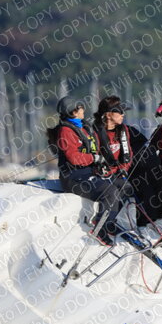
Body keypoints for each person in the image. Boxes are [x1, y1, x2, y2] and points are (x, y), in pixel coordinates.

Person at [51, 96, 127, 245]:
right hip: (73, 178)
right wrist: (93, 158)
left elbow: (93, 148)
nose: (83, 110)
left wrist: (100, 162)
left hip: (88, 173)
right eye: (80, 107)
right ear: (73, 111)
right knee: (110, 191)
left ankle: (109, 222)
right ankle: (99, 228)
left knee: (124, 186)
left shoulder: (83, 127)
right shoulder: (65, 131)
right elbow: (74, 158)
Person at [93, 96, 162, 226]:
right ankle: (132, 223)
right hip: (107, 174)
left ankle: (156, 220)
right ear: (108, 114)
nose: (123, 114)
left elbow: (134, 151)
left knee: (152, 176)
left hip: (124, 170)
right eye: (120, 111)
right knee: (136, 184)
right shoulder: (95, 132)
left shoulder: (125, 130)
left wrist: (124, 168)